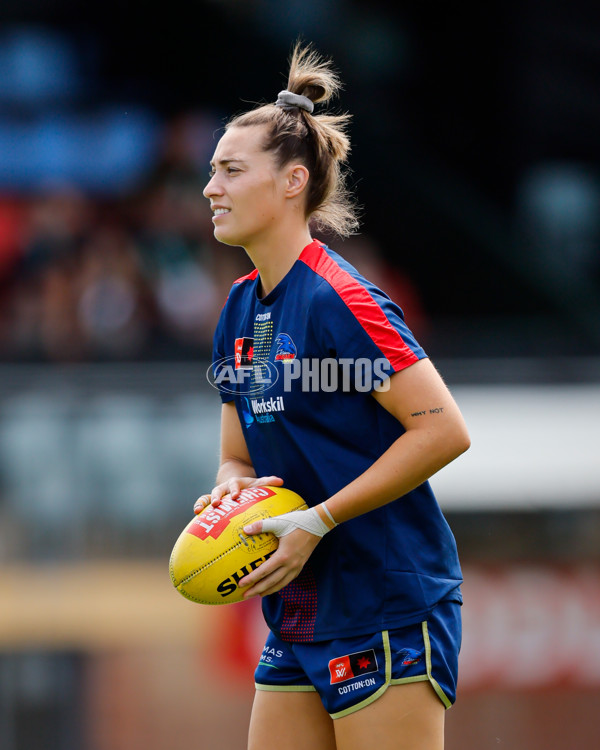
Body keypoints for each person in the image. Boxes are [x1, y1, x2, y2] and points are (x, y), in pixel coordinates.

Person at [195, 42, 470, 750]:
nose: (209, 188)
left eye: (230, 170)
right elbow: (237, 456)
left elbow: (443, 431)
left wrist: (318, 519)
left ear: (292, 182)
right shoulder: (236, 309)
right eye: (211, 170)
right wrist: (231, 493)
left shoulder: (340, 299)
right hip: (302, 611)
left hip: (386, 603)